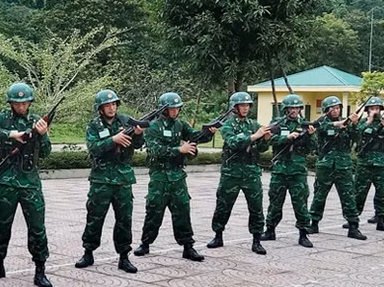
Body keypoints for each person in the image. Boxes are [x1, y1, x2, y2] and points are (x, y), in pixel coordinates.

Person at [0, 83, 53, 287]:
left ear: (30, 102)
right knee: (2, 224)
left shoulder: (36, 120)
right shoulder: (2, 118)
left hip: (30, 182)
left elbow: (46, 153)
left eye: (25, 102)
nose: (21, 106)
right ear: (11, 103)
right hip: (6, 181)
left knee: (37, 227)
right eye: (17, 102)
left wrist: (44, 134)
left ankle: (40, 269)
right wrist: (12, 134)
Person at [133, 92, 216, 262]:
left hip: (177, 176)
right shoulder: (153, 126)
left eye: (177, 107)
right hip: (159, 176)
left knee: (183, 210)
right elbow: (155, 150)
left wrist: (209, 133)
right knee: (154, 210)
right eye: (172, 107)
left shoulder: (180, 125)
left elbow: (195, 137)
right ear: (164, 109)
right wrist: (179, 150)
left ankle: (188, 246)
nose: (175, 110)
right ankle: (145, 243)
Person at [75, 90, 144, 273]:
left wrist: (137, 133)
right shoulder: (94, 125)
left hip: (123, 179)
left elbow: (138, 145)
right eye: (107, 105)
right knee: (95, 217)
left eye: (114, 104)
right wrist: (113, 140)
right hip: (101, 179)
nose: (111, 108)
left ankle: (124, 256)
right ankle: (88, 252)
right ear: (100, 108)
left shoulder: (126, 121)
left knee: (124, 219)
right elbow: (93, 148)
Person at [207, 92, 271, 255]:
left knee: (256, 207)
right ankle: (218, 235)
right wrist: (254, 136)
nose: (245, 108)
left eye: (247, 105)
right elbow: (233, 142)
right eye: (242, 105)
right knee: (223, 205)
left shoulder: (254, 124)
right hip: (231, 173)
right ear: (234, 107)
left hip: (251, 172)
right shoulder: (227, 126)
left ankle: (257, 239)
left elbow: (262, 149)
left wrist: (265, 139)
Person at [308, 96, 366, 240]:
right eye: (332, 108)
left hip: (343, 165)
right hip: (325, 165)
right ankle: (314, 223)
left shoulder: (346, 123)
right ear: (326, 110)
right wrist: (337, 125)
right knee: (320, 195)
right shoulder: (322, 121)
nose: (335, 110)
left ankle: (353, 226)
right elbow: (318, 127)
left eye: (338, 108)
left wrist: (354, 124)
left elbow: (358, 138)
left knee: (348, 196)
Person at [261, 94, 315, 248]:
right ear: (286, 109)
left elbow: (313, 148)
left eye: (297, 108)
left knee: (300, 203)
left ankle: (303, 233)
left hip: (298, 170)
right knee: (275, 202)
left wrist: (310, 136)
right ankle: (270, 229)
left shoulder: (305, 125)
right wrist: (287, 138)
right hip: (280, 170)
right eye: (291, 108)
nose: (294, 110)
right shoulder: (277, 124)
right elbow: (270, 139)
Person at [353, 97, 384, 233]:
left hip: (381, 164)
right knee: (359, 192)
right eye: (372, 109)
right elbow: (356, 135)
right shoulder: (362, 123)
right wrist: (368, 122)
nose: (375, 111)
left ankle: (381, 219)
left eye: (377, 108)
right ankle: (353, 219)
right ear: (367, 110)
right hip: (365, 163)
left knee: (382, 193)